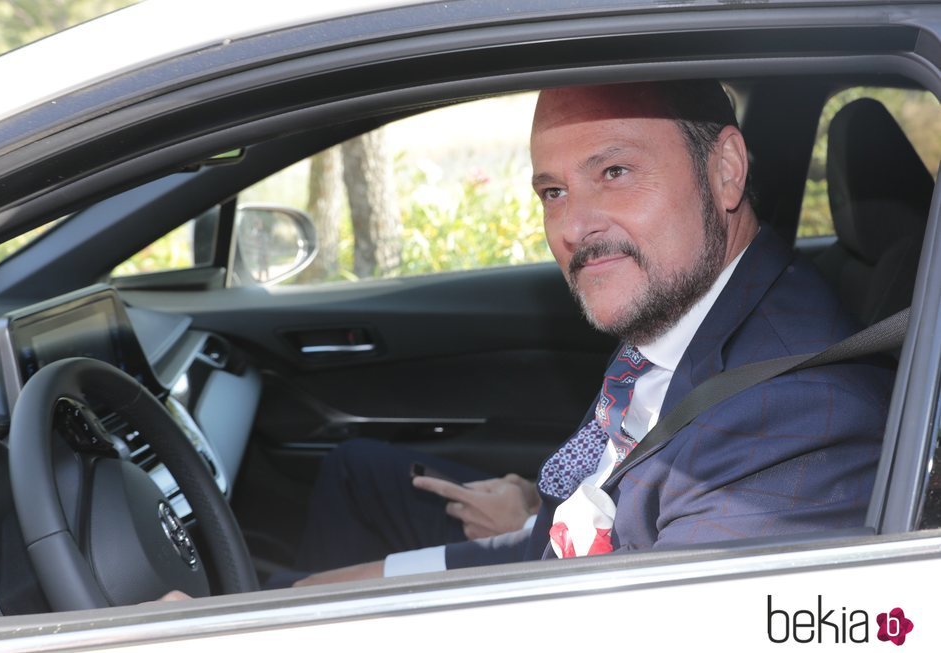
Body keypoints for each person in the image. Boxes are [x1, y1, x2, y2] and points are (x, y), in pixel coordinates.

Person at [290, 79, 892, 586]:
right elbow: (604, 473)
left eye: (615, 170)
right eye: (554, 191)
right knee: (352, 474)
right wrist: (534, 505)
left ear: (727, 170)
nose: (573, 227)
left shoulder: (793, 427)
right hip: (558, 547)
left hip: (567, 594)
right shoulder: (689, 310)